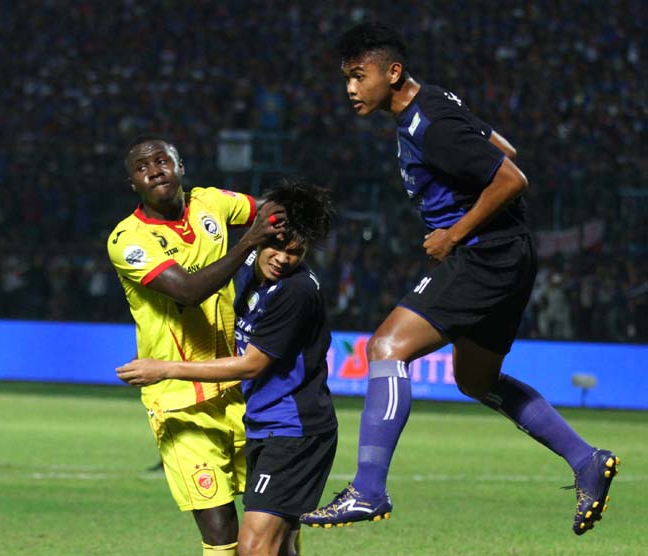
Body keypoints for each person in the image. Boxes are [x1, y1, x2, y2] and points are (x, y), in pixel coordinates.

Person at [299, 22, 619, 536]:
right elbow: (505, 149)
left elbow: (512, 177)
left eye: (359, 76)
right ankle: (585, 460)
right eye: (347, 79)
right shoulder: (437, 103)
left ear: (393, 72)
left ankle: (368, 489)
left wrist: (453, 233)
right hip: (509, 255)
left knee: (385, 348)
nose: (350, 89)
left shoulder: (430, 123)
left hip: (482, 256)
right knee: (475, 380)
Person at [118, 180, 337, 556]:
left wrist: (166, 369)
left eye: (295, 253)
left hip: (295, 431)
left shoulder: (294, 292)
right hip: (263, 424)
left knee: (252, 547)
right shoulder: (252, 269)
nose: (283, 258)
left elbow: (251, 365)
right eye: (277, 247)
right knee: (280, 544)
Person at [107, 135, 286, 556]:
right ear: (133, 183)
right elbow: (186, 291)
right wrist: (248, 244)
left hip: (240, 391)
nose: (153, 169)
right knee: (221, 528)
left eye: (161, 160)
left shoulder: (211, 203)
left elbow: (271, 211)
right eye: (141, 167)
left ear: (180, 167)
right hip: (179, 401)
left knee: (276, 521)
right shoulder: (128, 240)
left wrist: (284, 235)